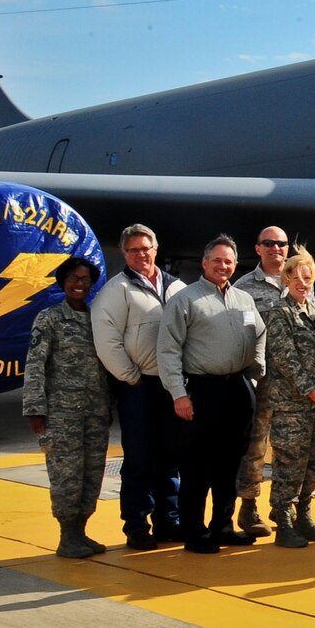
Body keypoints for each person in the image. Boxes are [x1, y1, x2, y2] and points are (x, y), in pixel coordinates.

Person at [157, 234, 266, 554]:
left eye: (229, 261)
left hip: (237, 389)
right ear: (204, 263)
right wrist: (178, 394)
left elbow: (259, 333)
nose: (223, 266)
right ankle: (194, 531)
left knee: (230, 465)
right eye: (216, 260)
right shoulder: (186, 300)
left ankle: (222, 526)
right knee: (196, 467)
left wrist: (255, 372)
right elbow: (167, 349)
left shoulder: (243, 300)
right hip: (201, 390)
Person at [91, 223, 185, 550]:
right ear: (124, 254)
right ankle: (136, 524)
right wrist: (131, 378)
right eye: (133, 250)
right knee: (140, 459)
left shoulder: (176, 288)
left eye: (146, 248)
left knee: (170, 457)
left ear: (155, 250)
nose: (141, 254)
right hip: (139, 386)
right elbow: (107, 341)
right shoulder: (116, 291)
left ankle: (168, 521)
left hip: (172, 385)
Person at [24, 256, 111, 559]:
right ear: (63, 282)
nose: (79, 284)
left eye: (85, 279)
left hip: (96, 411)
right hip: (63, 414)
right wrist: (36, 409)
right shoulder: (49, 318)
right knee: (67, 476)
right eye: (73, 278)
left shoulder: (97, 318)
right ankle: (67, 536)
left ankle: (81, 531)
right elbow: (35, 364)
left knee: (92, 474)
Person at [264, 247, 315, 548]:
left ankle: (304, 515)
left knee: (313, 461)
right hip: (292, 404)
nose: (302, 283)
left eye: (307, 278)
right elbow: (286, 359)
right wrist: (311, 392)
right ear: (285, 278)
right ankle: (283, 519)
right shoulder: (278, 314)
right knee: (289, 462)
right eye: (295, 277)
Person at [230, 225, 292, 541]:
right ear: (258, 249)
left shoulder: (298, 279)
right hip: (263, 379)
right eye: (268, 243)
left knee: (289, 446)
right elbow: (241, 335)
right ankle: (249, 505)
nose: (276, 249)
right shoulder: (244, 287)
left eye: (281, 243)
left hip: (293, 381)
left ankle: (284, 505)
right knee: (256, 445)